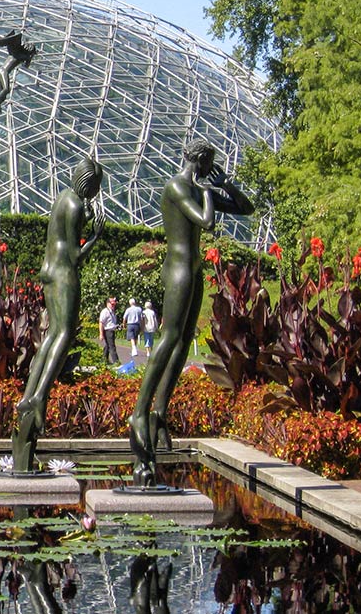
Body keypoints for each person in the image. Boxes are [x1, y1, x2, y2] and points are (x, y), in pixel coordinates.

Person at [128, 139, 253, 487]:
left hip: (194, 270)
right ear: (198, 161)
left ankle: (160, 412)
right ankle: (140, 413)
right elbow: (207, 222)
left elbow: (246, 207)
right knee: (168, 339)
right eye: (207, 164)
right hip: (179, 269)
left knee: (183, 342)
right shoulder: (178, 186)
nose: (206, 169)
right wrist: (207, 191)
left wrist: (224, 184)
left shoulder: (198, 186)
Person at [11, 157, 104, 472]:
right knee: (64, 334)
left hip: (47, 271)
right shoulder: (77, 206)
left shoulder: (63, 198)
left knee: (51, 335)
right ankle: (39, 396)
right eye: (94, 188)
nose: (94, 194)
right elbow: (75, 255)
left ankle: (29, 395)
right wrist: (94, 236)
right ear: (88, 184)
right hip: (65, 273)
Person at [0, 29, 38, 140]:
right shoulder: (17, 50)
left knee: (3, 95)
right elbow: (8, 41)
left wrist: (30, 57)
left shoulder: (23, 55)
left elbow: (26, 66)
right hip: (2, 72)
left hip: (2, 72)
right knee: (6, 90)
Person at [98, 297, 119, 365]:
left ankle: (104, 360)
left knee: (107, 346)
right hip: (108, 331)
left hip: (111, 331)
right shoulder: (105, 311)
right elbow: (101, 323)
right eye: (112, 304)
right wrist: (101, 334)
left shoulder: (112, 311)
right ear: (107, 303)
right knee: (112, 347)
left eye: (114, 304)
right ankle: (116, 362)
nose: (113, 305)